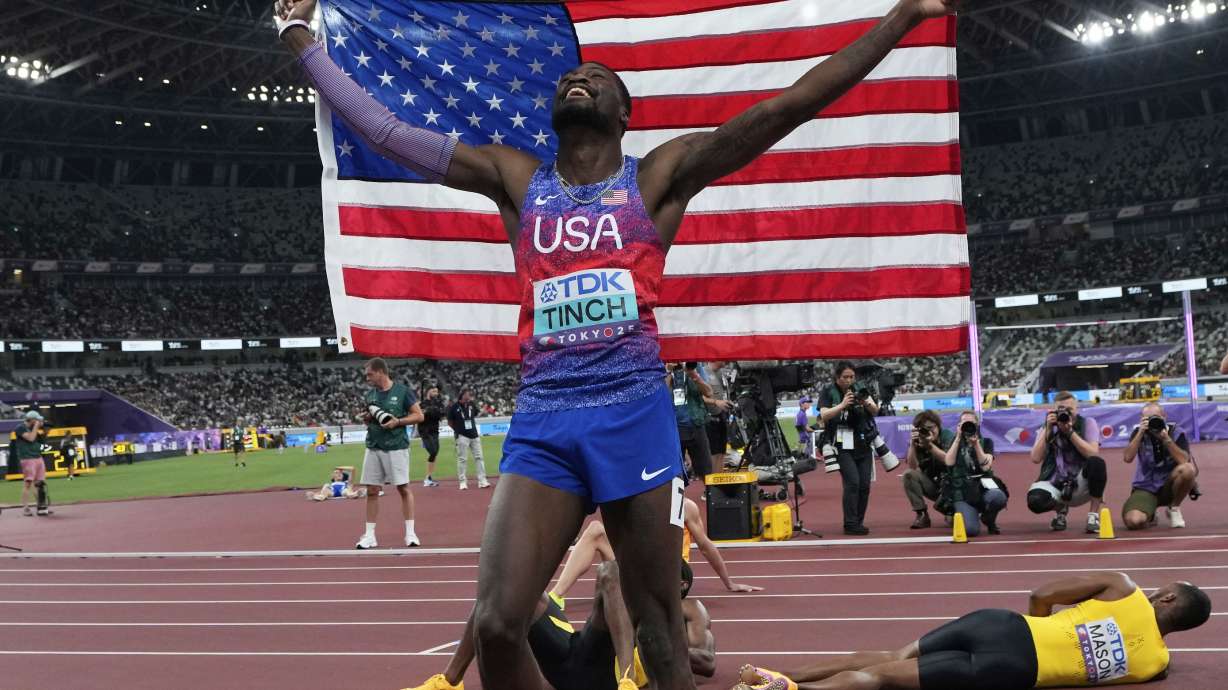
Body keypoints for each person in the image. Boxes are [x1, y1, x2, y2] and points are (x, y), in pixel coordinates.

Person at [274, 0, 956, 686]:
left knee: (659, 630)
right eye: (572, 78)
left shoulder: (657, 177)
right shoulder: (516, 179)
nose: (581, 79)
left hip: (634, 416)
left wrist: (905, 15)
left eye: (598, 78)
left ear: (624, 114)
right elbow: (386, 131)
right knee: (495, 623)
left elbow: (789, 106)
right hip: (545, 419)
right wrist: (299, 37)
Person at [734, 572, 1211, 690]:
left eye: (1161, 590)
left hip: (1001, 625)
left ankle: (769, 673)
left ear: (1167, 599)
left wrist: (1047, 628)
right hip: (1013, 667)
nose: (1153, 591)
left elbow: (1042, 592)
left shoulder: (1123, 588)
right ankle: (784, 688)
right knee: (881, 681)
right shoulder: (1156, 666)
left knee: (886, 658)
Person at [407, 561, 714, 690]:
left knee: (611, 570)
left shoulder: (690, 609)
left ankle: (628, 680)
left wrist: (652, 643)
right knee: (504, 591)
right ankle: (447, 683)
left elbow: (707, 662)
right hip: (571, 658)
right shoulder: (636, 596)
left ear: (682, 583)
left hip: (604, 675)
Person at [549, 497, 763, 602]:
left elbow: (705, 546)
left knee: (597, 530)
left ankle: (555, 597)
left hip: (671, 571)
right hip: (641, 565)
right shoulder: (638, 501)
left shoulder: (685, 506)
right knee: (596, 530)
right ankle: (555, 598)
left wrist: (730, 583)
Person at [357, 357, 425, 549]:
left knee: (403, 489)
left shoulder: (402, 392)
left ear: (380, 372)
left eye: (369, 374)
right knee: (371, 491)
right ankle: (370, 536)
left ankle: (410, 534)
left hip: (396, 447)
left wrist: (398, 422)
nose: (367, 378)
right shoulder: (370, 395)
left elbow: (419, 415)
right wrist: (368, 418)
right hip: (373, 446)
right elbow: (370, 417)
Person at [1027, 391, 1107, 533]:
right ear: (1055, 410)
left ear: (1076, 409)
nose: (1066, 414)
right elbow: (1035, 458)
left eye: (1069, 410)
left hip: (1080, 481)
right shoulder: (1048, 425)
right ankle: (1060, 509)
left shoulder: (1087, 423)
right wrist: (1048, 429)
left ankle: (1093, 515)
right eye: (1061, 410)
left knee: (1097, 463)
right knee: (1035, 501)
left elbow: (1093, 453)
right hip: (1055, 481)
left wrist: (1070, 433)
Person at [817, 362, 881, 535]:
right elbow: (823, 415)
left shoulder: (861, 388)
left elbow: (875, 410)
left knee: (865, 485)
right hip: (841, 445)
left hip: (863, 442)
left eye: (851, 376)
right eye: (845, 377)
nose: (849, 380)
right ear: (837, 378)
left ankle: (858, 522)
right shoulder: (828, 391)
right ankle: (850, 524)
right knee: (853, 482)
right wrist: (843, 404)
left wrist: (865, 402)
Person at [1121, 402, 1196, 530]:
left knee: (1188, 470)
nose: (1152, 422)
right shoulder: (1138, 433)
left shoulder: (1176, 432)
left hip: (1170, 484)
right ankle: (1150, 513)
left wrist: (1167, 440)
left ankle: (1174, 508)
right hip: (1146, 487)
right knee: (1134, 521)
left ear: (1164, 416)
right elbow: (1127, 458)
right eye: (1148, 419)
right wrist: (1140, 434)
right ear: (1142, 420)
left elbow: (1184, 460)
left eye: (1156, 418)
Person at [938, 411, 1007, 537]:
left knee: (999, 497)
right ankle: (961, 514)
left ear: (977, 425)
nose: (968, 425)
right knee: (971, 530)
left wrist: (976, 445)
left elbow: (986, 465)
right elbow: (948, 462)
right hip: (962, 491)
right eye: (964, 422)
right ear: (959, 425)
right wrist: (958, 438)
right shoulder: (954, 441)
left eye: (971, 423)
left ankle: (988, 518)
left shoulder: (986, 442)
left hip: (982, 486)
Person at [902, 411, 954, 529]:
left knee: (953, 522)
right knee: (909, 475)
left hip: (952, 487)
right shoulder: (918, 440)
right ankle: (921, 514)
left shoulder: (947, 435)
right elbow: (913, 467)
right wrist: (912, 445)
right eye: (924, 429)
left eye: (932, 427)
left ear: (938, 425)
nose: (929, 432)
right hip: (933, 484)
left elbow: (947, 459)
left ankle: (952, 510)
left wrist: (929, 445)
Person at [669, 363, 715, 483]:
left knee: (706, 468)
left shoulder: (695, 365)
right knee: (674, 471)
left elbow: (709, 392)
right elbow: (663, 394)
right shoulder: (665, 367)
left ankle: (710, 495)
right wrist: (669, 372)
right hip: (674, 426)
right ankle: (678, 500)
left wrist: (693, 374)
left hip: (696, 423)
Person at [446, 388, 488, 491]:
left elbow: (476, 414)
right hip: (462, 436)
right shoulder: (454, 407)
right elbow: (450, 422)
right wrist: (458, 431)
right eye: (467, 394)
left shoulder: (471, 404)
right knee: (462, 459)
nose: (469, 396)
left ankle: (482, 480)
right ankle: (462, 482)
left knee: (479, 457)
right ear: (462, 395)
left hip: (474, 435)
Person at [14, 411, 51, 516]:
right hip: (27, 458)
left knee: (40, 484)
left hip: (38, 457)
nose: (39, 421)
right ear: (32, 419)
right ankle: (26, 508)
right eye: (37, 420)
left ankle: (41, 506)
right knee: (28, 483)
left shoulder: (35, 429)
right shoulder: (20, 428)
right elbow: (30, 438)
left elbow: (40, 438)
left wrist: (43, 427)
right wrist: (35, 427)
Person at [703, 362, 735, 469]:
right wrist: (716, 402)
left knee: (721, 451)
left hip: (722, 416)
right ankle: (712, 480)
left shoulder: (722, 373)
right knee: (713, 452)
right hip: (709, 417)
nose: (726, 359)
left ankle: (719, 479)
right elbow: (699, 397)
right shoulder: (703, 372)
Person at [418, 384, 445, 487]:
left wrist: (430, 412)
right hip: (425, 431)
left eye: (437, 392)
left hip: (435, 430)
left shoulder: (438, 403)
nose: (436, 393)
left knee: (435, 452)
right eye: (434, 391)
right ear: (428, 392)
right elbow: (420, 416)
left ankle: (428, 477)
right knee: (433, 451)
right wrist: (428, 412)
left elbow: (442, 414)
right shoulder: (421, 404)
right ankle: (428, 478)